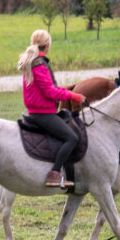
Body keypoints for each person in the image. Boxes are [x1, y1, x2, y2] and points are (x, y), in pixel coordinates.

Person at [19, 29, 87, 188]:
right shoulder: (39, 64)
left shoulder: (32, 61)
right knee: (72, 138)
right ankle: (54, 173)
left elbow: (48, 88)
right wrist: (73, 96)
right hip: (43, 114)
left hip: (39, 111)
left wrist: (66, 91)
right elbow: (50, 91)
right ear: (47, 45)